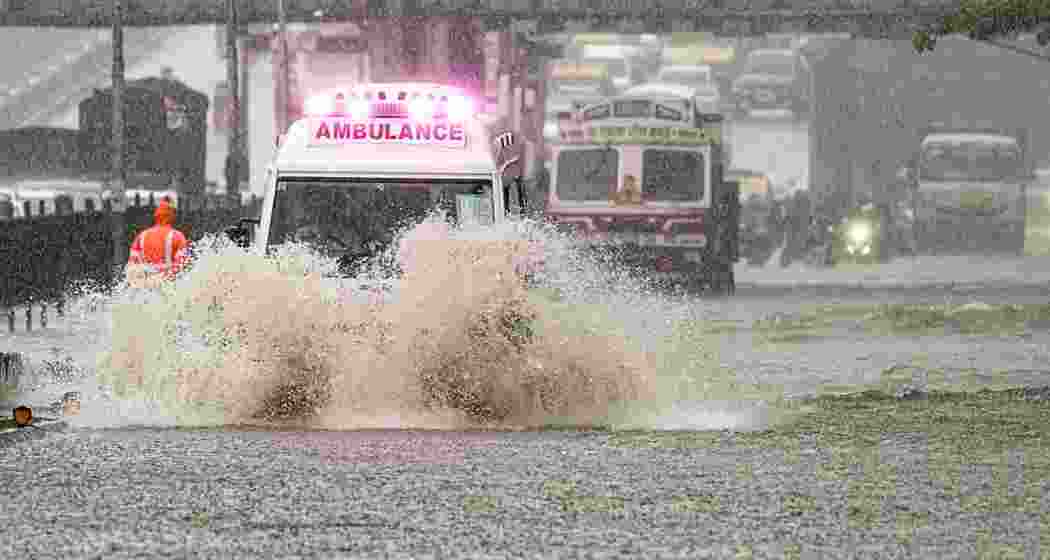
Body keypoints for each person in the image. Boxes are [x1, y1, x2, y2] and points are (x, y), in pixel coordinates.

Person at [127, 198, 190, 286]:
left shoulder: (141, 236)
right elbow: (181, 265)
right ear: (172, 217)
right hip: (167, 286)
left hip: (144, 287)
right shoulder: (177, 236)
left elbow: (132, 266)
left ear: (155, 217)